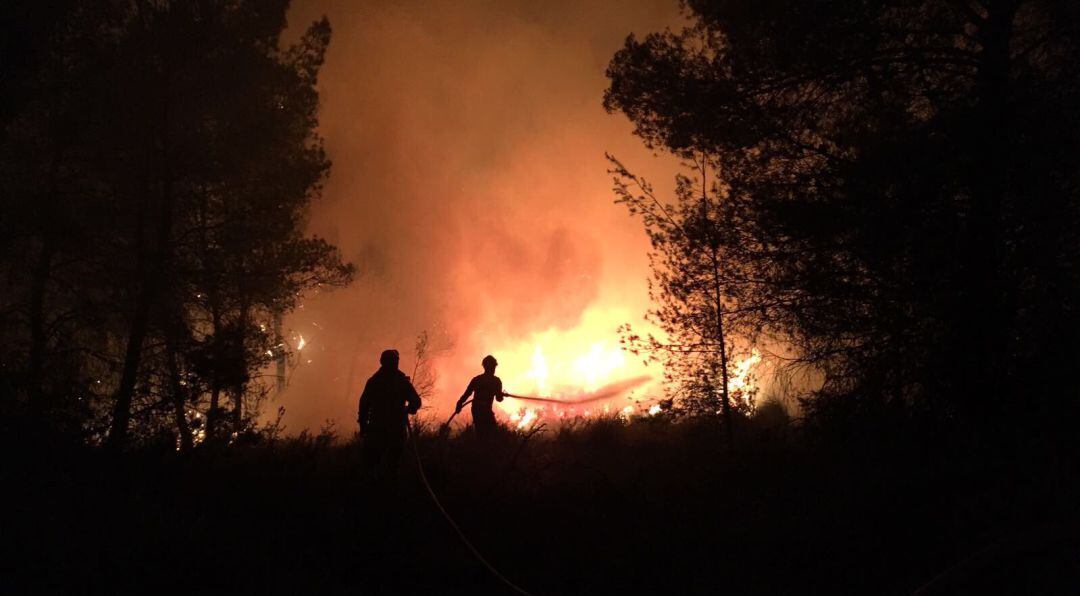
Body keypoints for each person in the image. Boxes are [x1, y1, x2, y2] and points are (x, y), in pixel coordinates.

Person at [357, 349, 421, 485]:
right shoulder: (401, 381)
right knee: (392, 465)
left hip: (377, 428)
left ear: (381, 362)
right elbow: (416, 401)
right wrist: (409, 409)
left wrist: (363, 426)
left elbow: (363, 405)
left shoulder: (374, 381)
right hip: (394, 429)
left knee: (372, 464)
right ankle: (388, 492)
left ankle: (373, 491)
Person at [455, 355, 504, 437]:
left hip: (476, 409)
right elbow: (499, 399)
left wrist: (459, 403)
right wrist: (501, 395)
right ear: (493, 367)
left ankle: (479, 447)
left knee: (481, 433)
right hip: (485, 410)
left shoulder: (476, 379)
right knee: (492, 434)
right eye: (493, 367)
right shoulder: (496, 381)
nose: (493, 369)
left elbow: (467, 394)